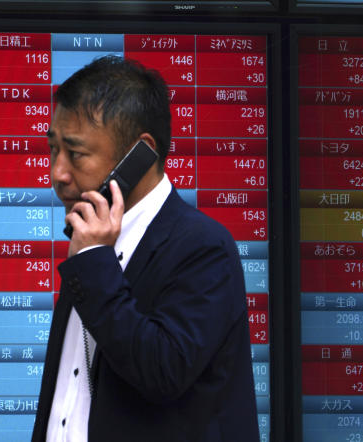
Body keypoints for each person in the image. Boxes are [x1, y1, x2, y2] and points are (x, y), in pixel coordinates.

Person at [32, 55, 259, 441]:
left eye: (76, 153)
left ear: (139, 154)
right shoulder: (91, 245)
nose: (58, 173)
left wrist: (93, 263)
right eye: (53, 149)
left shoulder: (204, 248)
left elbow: (163, 372)